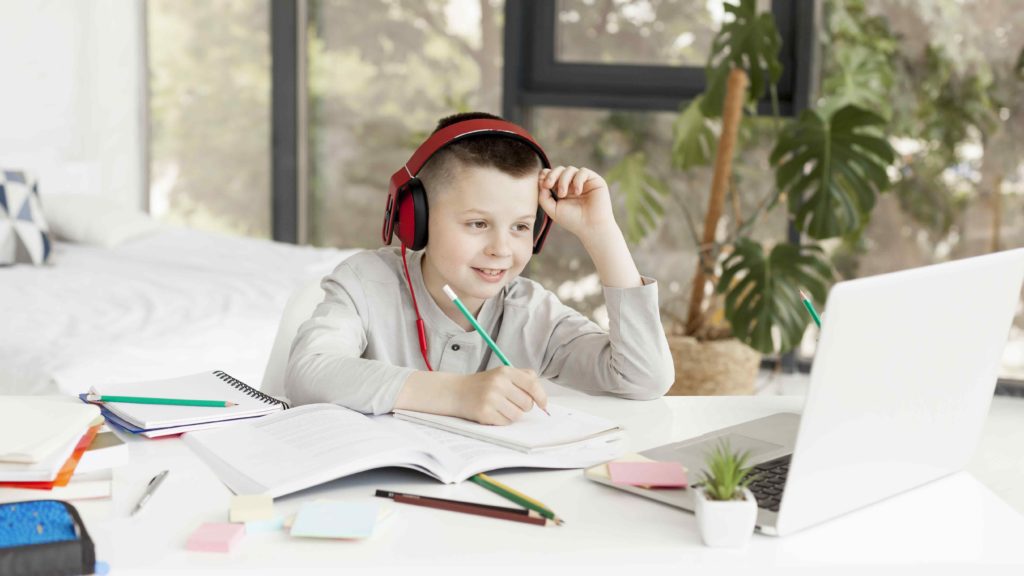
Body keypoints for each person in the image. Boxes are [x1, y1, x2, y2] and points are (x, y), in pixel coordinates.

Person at [285, 112, 674, 425]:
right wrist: (458, 394)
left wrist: (601, 233)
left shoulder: (533, 314)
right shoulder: (365, 284)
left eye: (521, 226)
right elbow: (308, 373)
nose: (501, 249)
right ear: (416, 219)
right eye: (478, 224)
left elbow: (644, 378)